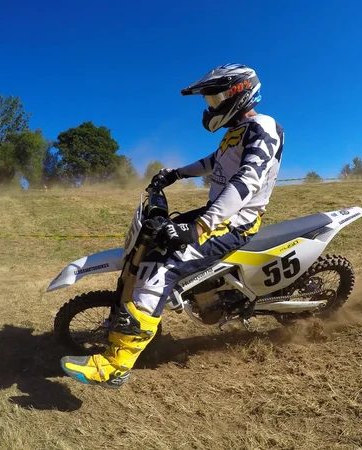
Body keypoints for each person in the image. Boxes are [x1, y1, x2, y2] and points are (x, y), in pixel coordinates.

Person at [60, 64, 284, 387]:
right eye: (209, 101)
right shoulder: (236, 133)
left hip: (234, 223)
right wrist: (177, 173)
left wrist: (199, 228)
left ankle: (115, 366)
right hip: (218, 214)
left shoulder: (264, 129)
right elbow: (213, 162)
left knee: (163, 267)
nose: (211, 107)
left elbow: (245, 183)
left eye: (216, 98)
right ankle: (137, 314)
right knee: (159, 235)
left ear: (239, 92)